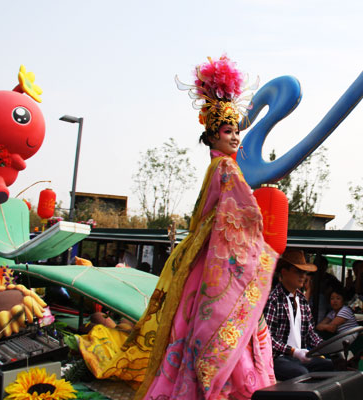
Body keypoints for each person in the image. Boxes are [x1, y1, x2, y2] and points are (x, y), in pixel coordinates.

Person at [76, 55, 278, 400]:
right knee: (224, 326)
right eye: (228, 131)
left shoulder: (216, 168)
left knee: (189, 329)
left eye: (237, 131)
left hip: (201, 261)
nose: (235, 138)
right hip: (215, 261)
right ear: (213, 135)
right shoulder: (227, 169)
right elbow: (243, 218)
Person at [264, 249, 334, 381]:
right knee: (301, 373)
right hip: (278, 358)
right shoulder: (273, 299)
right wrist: (293, 351)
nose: (303, 276)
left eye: (304, 272)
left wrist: (325, 347)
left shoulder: (301, 299)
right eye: (298, 271)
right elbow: (268, 339)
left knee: (328, 365)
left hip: (300, 357)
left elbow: (310, 333)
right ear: (284, 272)